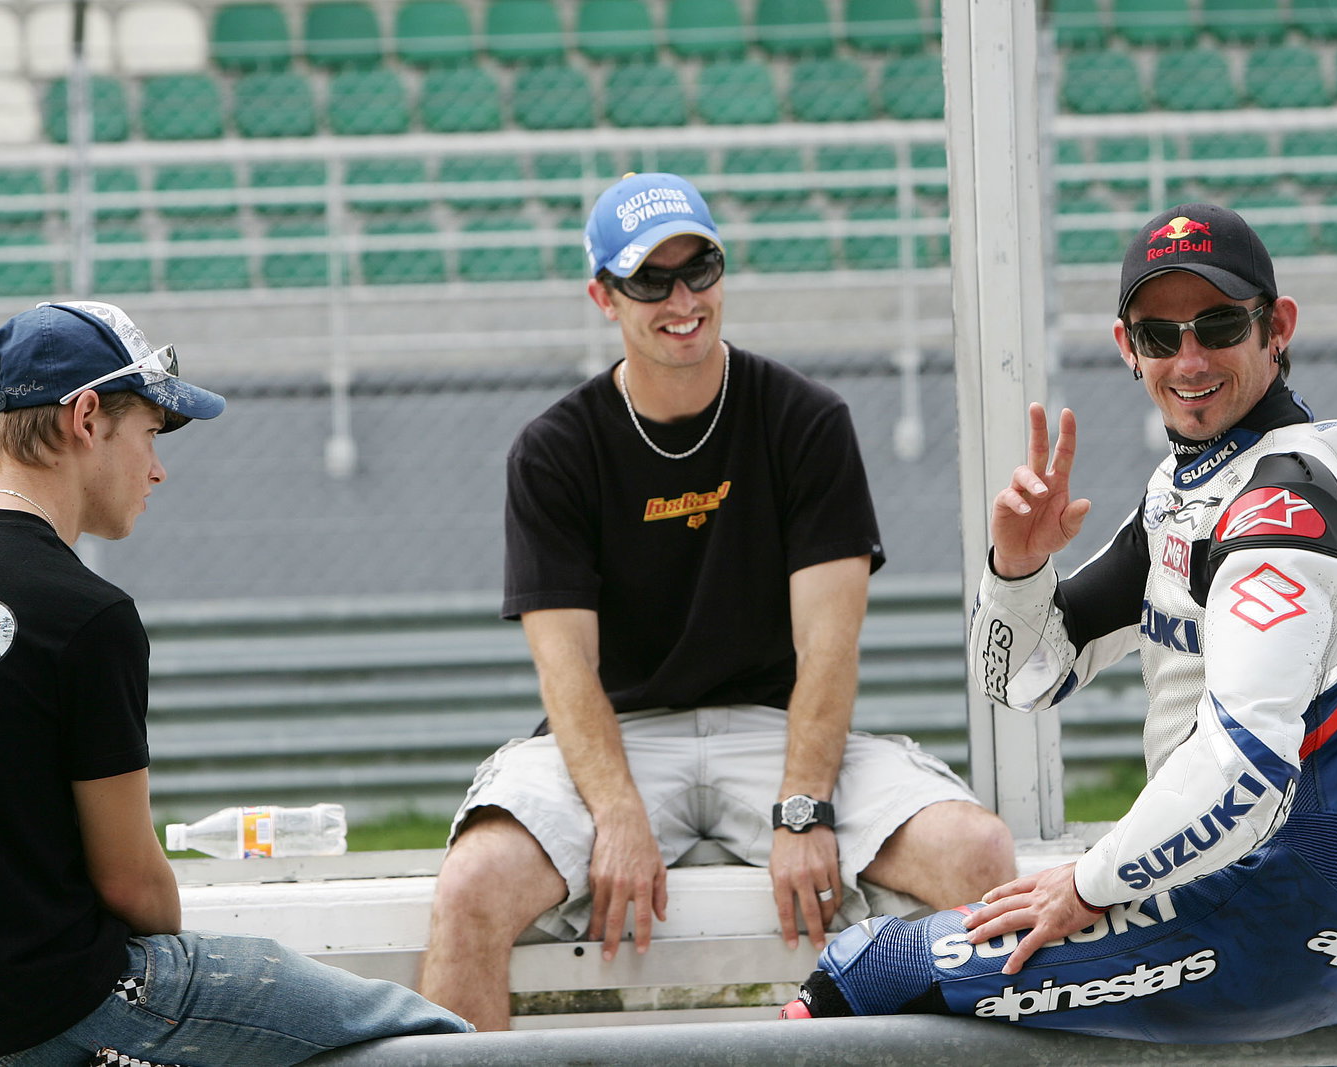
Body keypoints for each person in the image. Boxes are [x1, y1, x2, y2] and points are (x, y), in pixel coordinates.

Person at [783, 203, 1337, 1040]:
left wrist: (1089, 884)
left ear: (1277, 329)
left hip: (1258, 921)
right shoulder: (1220, 487)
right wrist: (1018, 570)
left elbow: (1245, 767)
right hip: (1331, 924)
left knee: (871, 967)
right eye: (1160, 335)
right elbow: (1022, 679)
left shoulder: (1280, 508)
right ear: (1127, 347)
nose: (1188, 359)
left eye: (1219, 325)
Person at [419, 172, 1017, 1030]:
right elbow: (565, 665)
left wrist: (804, 808)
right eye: (649, 280)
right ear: (603, 296)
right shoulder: (555, 448)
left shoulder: (805, 418)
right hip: (618, 737)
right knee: (473, 884)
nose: (682, 299)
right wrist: (617, 814)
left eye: (699, 269)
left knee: (978, 852)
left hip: (778, 729)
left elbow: (828, 645)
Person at [0, 301, 470, 1065]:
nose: (159, 467)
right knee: (426, 1035)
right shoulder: (84, 613)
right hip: (66, 1001)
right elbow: (133, 885)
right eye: (151, 432)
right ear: (86, 417)